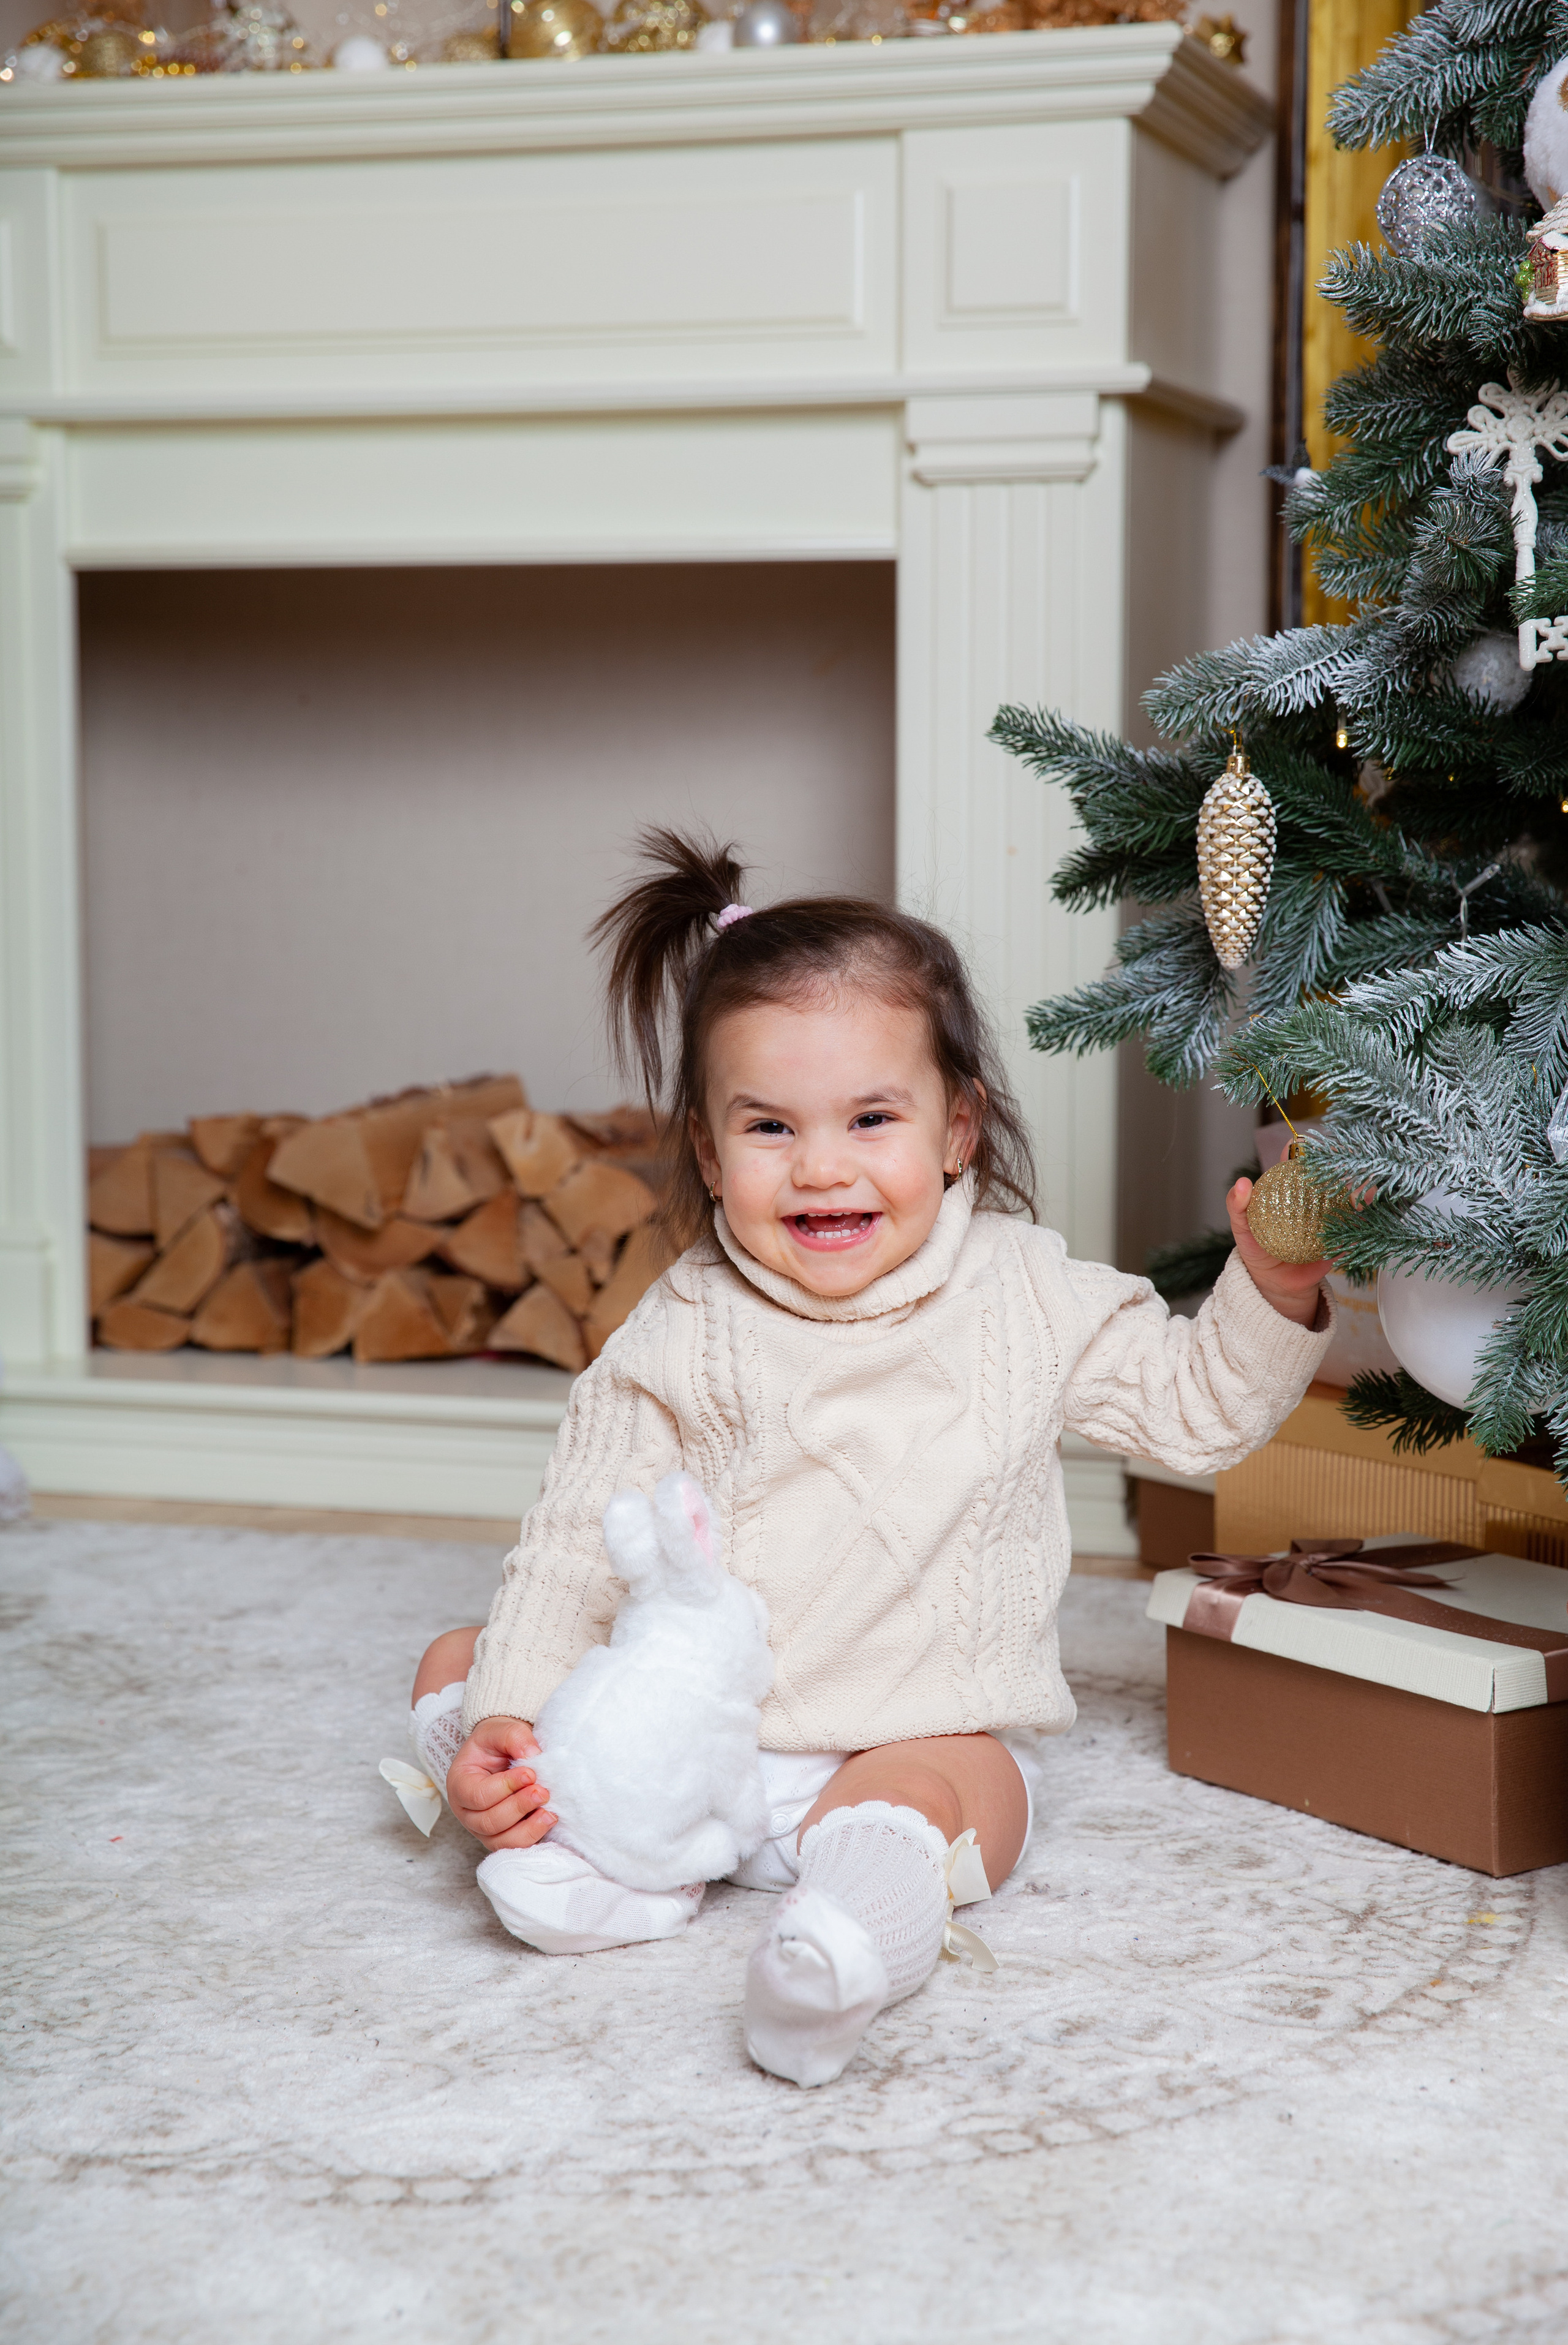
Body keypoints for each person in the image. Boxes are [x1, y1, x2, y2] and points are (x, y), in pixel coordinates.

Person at [406, 829, 1332, 2086]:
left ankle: (838, 1941)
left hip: (912, 1729)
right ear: (703, 1151)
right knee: (487, 1667)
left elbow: (1195, 1413)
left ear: (957, 1132)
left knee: (964, 1796)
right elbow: (573, 1544)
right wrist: (511, 1722)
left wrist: (1267, 1292)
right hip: (705, 1737)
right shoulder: (679, 1329)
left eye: (870, 1118)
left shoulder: (1022, 1291)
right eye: (770, 1127)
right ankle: (567, 1821)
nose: (822, 1165)